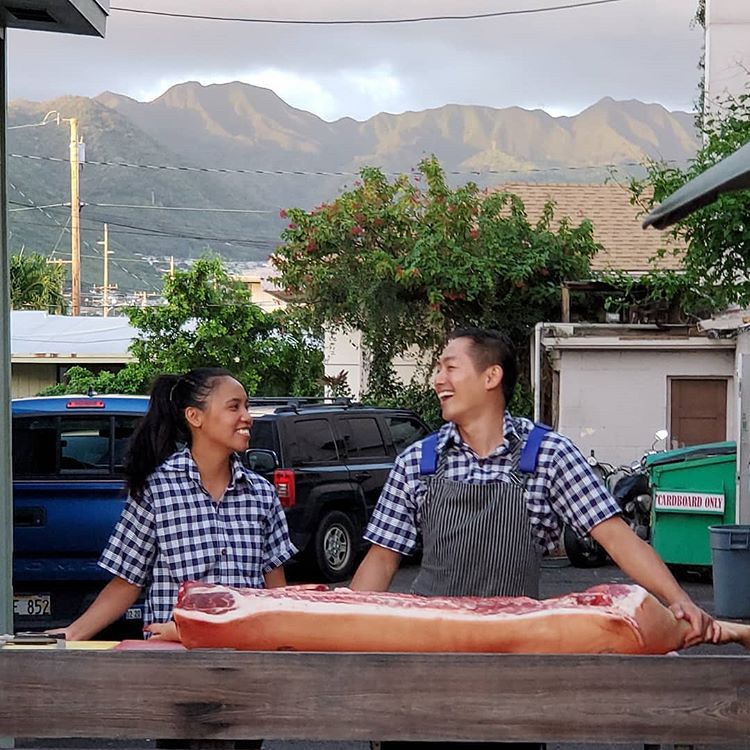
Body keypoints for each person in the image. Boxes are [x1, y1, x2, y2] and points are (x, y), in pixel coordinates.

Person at [351, 327, 720, 750]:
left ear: (491, 377)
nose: (438, 379)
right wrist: (345, 632)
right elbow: (381, 560)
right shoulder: (418, 461)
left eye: (449, 367)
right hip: (426, 666)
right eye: (439, 368)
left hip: (517, 667)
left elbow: (618, 539)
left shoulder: (548, 455)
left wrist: (681, 602)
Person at [51, 366, 297, 643]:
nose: (247, 417)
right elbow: (127, 583)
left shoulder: (261, 494)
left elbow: (276, 593)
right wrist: (71, 634)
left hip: (245, 660)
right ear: (195, 416)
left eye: (246, 406)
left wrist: (285, 645)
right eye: (234, 407)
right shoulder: (157, 489)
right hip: (172, 659)